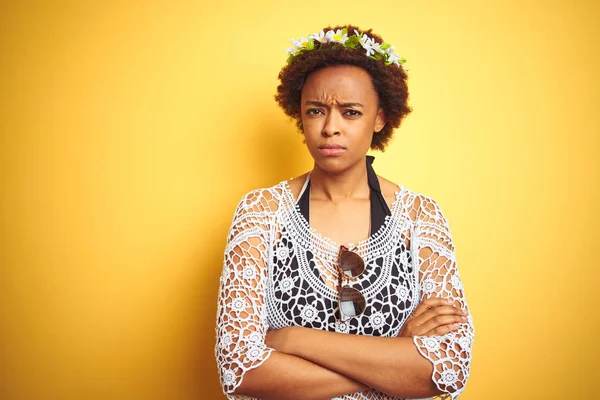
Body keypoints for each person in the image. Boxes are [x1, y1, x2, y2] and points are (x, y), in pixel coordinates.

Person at [214, 25, 474, 400]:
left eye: (350, 112)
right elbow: (240, 371)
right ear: (300, 117)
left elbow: (446, 370)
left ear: (380, 119)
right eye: (315, 111)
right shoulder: (262, 212)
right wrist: (394, 359)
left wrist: (291, 339)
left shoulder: (420, 217)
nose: (330, 128)